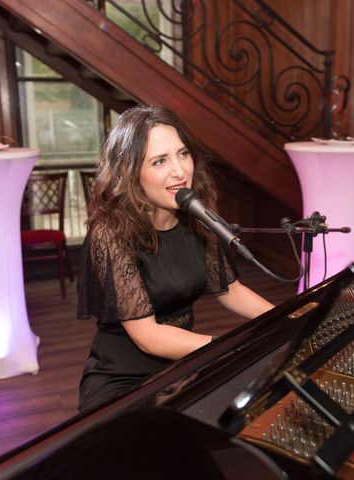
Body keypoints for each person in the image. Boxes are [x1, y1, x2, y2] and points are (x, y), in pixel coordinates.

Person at [76, 105, 274, 412]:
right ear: (131, 172)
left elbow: (230, 290)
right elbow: (148, 336)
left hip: (182, 367)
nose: (180, 171)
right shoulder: (110, 233)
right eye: (159, 161)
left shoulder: (194, 215)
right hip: (124, 381)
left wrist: (287, 318)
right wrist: (227, 348)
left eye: (183, 154)